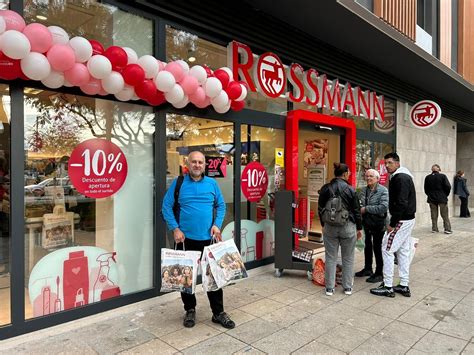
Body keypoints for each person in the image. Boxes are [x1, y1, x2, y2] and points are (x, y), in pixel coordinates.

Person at [161, 151, 235, 329]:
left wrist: (217, 224)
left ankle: (218, 313)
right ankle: (190, 310)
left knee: (215, 278)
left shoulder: (212, 183)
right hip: (184, 240)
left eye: (200, 162)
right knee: (185, 279)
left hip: (208, 240)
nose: (197, 165)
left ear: (204, 165)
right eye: (194, 162)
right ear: (188, 163)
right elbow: (166, 206)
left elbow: (221, 206)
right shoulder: (179, 183)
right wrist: (175, 228)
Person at [370, 152, 416, 298]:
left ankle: (388, 286)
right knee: (403, 251)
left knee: (387, 249)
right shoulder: (402, 176)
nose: (388, 166)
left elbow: (401, 202)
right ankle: (403, 284)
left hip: (401, 220)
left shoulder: (400, 177)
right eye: (386, 163)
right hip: (407, 219)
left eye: (390, 163)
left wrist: (392, 223)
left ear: (397, 163)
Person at [318, 163, 362, 296]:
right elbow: (356, 211)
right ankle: (347, 287)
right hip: (347, 227)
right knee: (348, 258)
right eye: (348, 172)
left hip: (330, 227)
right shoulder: (350, 189)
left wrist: (323, 224)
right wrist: (359, 228)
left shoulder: (326, 188)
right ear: (345, 174)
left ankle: (329, 288)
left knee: (330, 257)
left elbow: (320, 208)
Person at [355, 169, 389, 283]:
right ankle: (368, 268)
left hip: (379, 223)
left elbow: (383, 207)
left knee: (377, 247)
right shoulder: (363, 190)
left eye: (371, 176)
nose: (368, 178)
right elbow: (359, 204)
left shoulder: (383, 190)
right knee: (367, 246)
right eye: (367, 176)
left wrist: (366, 209)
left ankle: (379, 273)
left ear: (377, 178)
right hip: (367, 223)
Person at [424, 164, 452, 234]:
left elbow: (426, 189)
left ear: (432, 170)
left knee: (433, 215)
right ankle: (447, 229)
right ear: (439, 169)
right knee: (445, 215)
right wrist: (445, 194)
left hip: (431, 198)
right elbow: (448, 186)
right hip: (442, 198)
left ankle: (434, 229)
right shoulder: (443, 176)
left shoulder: (427, 177)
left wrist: (430, 195)